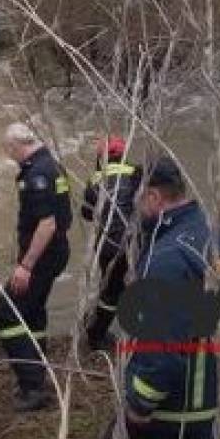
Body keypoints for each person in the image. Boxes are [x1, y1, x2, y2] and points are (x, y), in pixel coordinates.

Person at [88, 156, 220, 439]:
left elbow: (160, 347)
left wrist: (139, 404)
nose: (132, 209)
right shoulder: (215, 235)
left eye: (135, 200)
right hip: (200, 394)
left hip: (167, 406)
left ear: (153, 197)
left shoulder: (166, 258)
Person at [0, 122, 72, 413]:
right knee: (33, 311)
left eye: (8, 150)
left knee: (6, 314)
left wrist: (26, 265)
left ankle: (32, 387)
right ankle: (37, 373)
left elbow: (47, 223)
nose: (9, 155)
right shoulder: (52, 164)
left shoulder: (37, 174)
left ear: (17, 145)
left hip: (41, 256)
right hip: (55, 252)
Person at [79, 135, 141, 350]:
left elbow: (86, 213)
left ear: (101, 157)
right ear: (123, 155)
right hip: (132, 243)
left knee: (110, 290)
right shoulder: (136, 174)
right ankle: (100, 334)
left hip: (106, 246)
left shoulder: (95, 181)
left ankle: (95, 332)